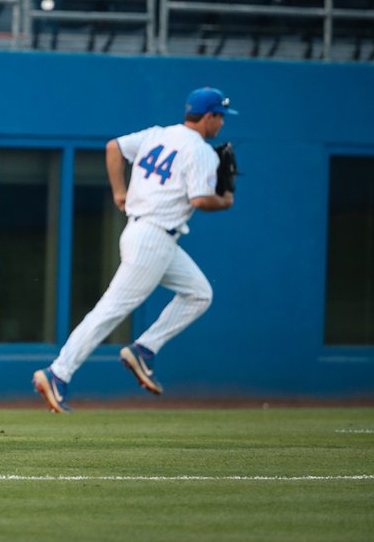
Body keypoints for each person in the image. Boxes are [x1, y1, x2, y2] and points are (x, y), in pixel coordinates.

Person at [33, 87, 238, 413]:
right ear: (209, 115)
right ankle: (57, 373)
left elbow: (114, 147)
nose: (222, 124)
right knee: (110, 310)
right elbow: (201, 200)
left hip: (148, 234)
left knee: (199, 293)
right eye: (221, 117)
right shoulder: (200, 151)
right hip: (153, 238)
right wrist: (225, 201)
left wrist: (119, 192)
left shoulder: (158, 135)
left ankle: (144, 349)